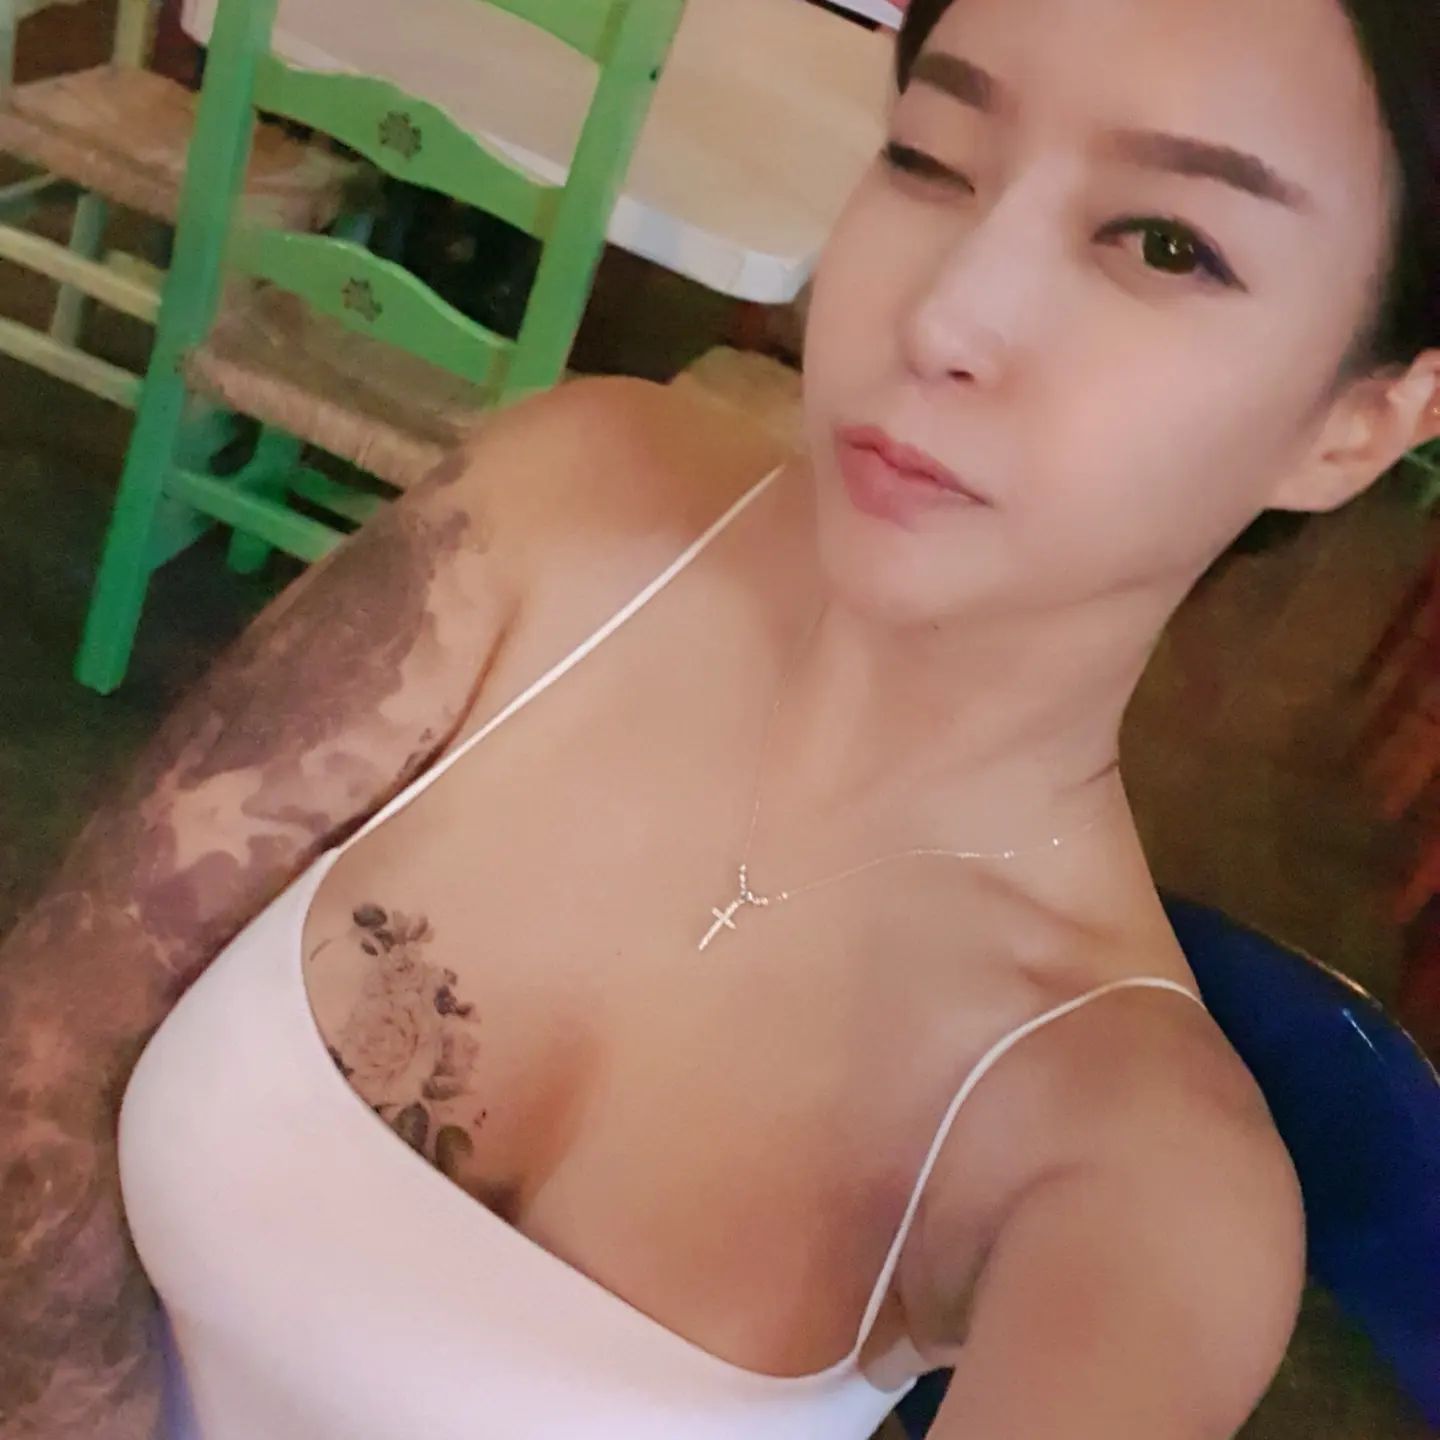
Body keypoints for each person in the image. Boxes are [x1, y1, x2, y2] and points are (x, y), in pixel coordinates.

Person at [3, 0, 1438, 1434]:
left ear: (1356, 426)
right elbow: (45, 1049)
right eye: (932, 156)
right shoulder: (561, 507)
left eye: (1168, 244)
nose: (945, 317)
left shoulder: (1141, 1188)